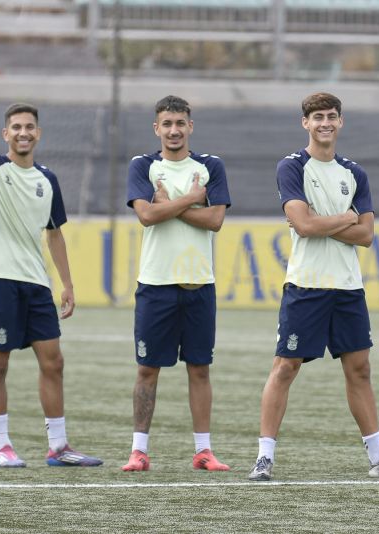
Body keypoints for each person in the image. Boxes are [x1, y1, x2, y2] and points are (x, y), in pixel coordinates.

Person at [248, 92, 379, 482]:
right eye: (317, 117)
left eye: (331, 116)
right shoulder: (291, 167)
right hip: (306, 286)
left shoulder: (354, 173)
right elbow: (305, 227)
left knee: (359, 370)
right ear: (305, 123)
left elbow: (366, 236)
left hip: (347, 288)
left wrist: (324, 221)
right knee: (286, 367)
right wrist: (344, 218)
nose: (325, 123)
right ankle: (264, 457)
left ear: (340, 122)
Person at [0, 85, 102, 468]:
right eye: (16, 127)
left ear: (38, 133)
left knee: (54, 362)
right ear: (6, 134)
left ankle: (59, 447)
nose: (23, 132)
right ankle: (2, 445)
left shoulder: (48, 179)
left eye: (29, 126)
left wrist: (67, 284)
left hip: (36, 284)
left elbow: (55, 232)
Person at [122, 95, 231, 472]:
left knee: (200, 368)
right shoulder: (143, 165)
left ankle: (203, 451)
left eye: (180, 123)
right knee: (147, 369)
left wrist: (170, 205)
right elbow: (147, 216)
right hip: (156, 284)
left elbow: (216, 220)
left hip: (199, 283)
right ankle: (139, 451)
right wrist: (191, 201)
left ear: (190, 126)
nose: (173, 130)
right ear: (157, 128)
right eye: (166, 124)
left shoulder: (210, 166)